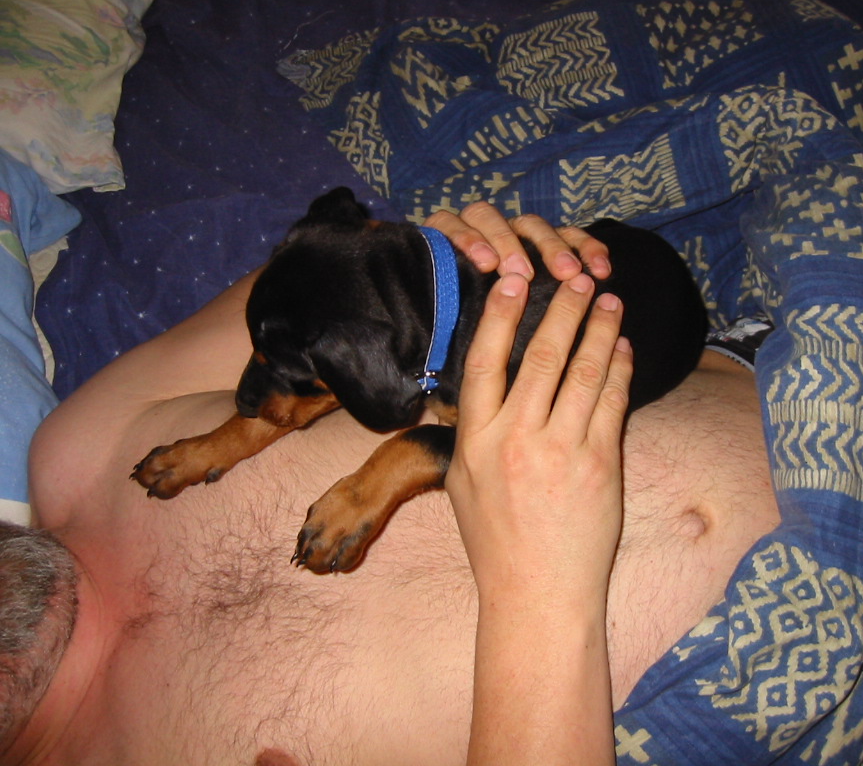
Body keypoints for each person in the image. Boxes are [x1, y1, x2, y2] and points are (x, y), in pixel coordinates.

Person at [1, 205, 779, 766]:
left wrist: (432, 248)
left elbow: (314, 290)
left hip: (764, 350)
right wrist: (540, 590)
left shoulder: (73, 447)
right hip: (788, 635)